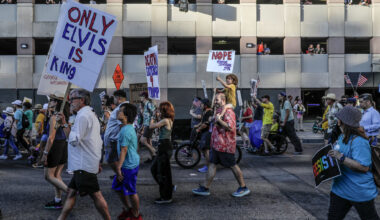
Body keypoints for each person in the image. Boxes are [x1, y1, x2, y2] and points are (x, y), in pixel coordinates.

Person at [58, 89, 111, 220]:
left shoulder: (82, 116)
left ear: (81, 100)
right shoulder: (89, 114)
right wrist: (97, 161)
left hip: (83, 164)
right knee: (71, 193)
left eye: (72, 99)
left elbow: (74, 140)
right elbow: (96, 141)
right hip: (85, 163)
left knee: (96, 195)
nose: (70, 102)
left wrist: (63, 124)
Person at [192, 93, 250, 197]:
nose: (215, 101)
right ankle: (205, 188)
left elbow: (230, 127)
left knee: (233, 166)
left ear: (223, 100)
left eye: (217, 100)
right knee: (212, 164)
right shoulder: (219, 111)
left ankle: (243, 187)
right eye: (215, 100)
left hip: (225, 146)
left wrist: (218, 120)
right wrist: (213, 120)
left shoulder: (228, 112)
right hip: (216, 145)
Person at [327, 106, 379, 220]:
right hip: (339, 190)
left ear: (341, 121)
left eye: (338, 119)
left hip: (359, 192)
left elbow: (364, 167)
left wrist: (340, 157)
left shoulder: (359, 141)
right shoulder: (342, 136)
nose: (337, 122)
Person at [113, 103, 142, 220]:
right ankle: (129, 209)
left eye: (120, 111)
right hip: (128, 163)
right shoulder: (127, 128)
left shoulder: (126, 131)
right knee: (117, 187)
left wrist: (119, 168)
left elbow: (124, 150)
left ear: (126, 116)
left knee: (131, 191)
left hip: (128, 166)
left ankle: (136, 214)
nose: (117, 112)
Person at [41, 97, 69, 209]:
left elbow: (51, 138)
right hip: (63, 144)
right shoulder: (62, 116)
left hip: (55, 146)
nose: (49, 102)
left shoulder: (55, 117)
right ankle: (58, 200)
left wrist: (45, 153)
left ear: (56, 103)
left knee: (48, 176)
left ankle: (70, 192)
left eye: (51, 100)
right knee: (57, 175)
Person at [149, 101, 175, 204]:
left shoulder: (165, 120)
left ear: (163, 110)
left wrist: (152, 117)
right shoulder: (168, 119)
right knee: (155, 169)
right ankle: (168, 187)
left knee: (162, 173)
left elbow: (151, 126)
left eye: (160, 109)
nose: (158, 111)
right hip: (164, 146)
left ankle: (166, 196)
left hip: (164, 146)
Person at [104, 90, 129, 176]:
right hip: (115, 139)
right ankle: (120, 175)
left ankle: (120, 175)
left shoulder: (121, 109)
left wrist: (123, 140)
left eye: (114, 98)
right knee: (115, 160)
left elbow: (123, 124)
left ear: (118, 98)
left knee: (111, 160)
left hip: (115, 140)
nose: (113, 100)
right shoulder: (122, 107)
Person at [195, 98, 213, 173]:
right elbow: (202, 121)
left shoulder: (209, 112)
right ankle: (208, 162)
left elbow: (206, 124)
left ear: (205, 105)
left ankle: (208, 167)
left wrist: (198, 129)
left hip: (207, 133)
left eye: (202, 104)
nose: (200, 105)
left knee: (206, 150)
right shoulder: (205, 111)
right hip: (204, 133)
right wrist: (197, 126)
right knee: (203, 149)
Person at [139, 92, 157, 163]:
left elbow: (154, 112)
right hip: (146, 124)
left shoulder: (148, 104)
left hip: (149, 125)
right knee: (149, 141)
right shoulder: (145, 105)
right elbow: (145, 117)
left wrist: (151, 122)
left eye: (141, 96)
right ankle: (153, 157)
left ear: (144, 97)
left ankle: (154, 152)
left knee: (143, 140)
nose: (140, 98)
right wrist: (143, 126)